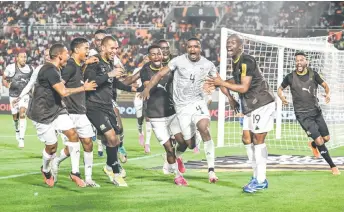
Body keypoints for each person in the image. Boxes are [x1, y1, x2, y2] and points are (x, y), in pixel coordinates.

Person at [142, 37, 219, 183]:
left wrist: (227, 93)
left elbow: (218, 80)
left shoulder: (207, 64)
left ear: (200, 48)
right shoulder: (176, 61)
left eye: (195, 46)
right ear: (186, 48)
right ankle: (172, 158)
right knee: (189, 144)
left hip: (196, 102)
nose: (192, 49)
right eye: (190, 47)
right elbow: (159, 74)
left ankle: (211, 171)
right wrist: (147, 88)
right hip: (180, 107)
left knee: (204, 127)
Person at [206, 34, 275, 193]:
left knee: (258, 140)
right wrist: (229, 97)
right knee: (247, 139)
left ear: (240, 46)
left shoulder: (247, 61)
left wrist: (221, 83)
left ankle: (261, 180)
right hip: (250, 106)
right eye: (227, 43)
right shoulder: (235, 62)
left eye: (233, 42)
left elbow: (243, 88)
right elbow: (230, 82)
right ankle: (257, 175)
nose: (229, 45)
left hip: (262, 102)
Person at [26, 43, 97, 187]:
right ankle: (45, 170)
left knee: (73, 134)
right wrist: (83, 88)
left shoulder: (57, 68)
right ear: (59, 56)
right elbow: (63, 92)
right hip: (42, 114)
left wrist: (84, 63)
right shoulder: (49, 70)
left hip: (57, 110)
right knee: (52, 147)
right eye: (66, 54)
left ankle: (75, 173)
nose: (68, 56)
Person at [277, 51, 340, 175]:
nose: (299, 62)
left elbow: (326, 85)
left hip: (316, 112)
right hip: (303, 115)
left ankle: (312, 144)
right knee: (320, 141)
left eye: (301, 60)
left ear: (306, 62)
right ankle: (333, 166)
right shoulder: (290, 77)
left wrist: (327, 94)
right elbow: (280, 89)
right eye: (297, 60)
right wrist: (282, 97)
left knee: (326, 138)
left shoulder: (313, 74)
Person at [51, 37, 100, 187]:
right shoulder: (70, 66)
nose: (88, 51)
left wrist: (86, 63)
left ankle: (89, 177)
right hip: (68, 113)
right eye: (86, 48)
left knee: (88, 142)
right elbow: (60, 88)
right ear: (77, 50)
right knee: (74, 145)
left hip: (80, 111)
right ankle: (72, 171)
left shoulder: (78, 65)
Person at [84, 36, 128, 186]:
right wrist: (110, 74)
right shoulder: (94, 61)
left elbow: (114, 82)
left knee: (115, 140)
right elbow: (90, 83)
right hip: (94, 106)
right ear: (103, 47)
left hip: (107, 106)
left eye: (116, 48)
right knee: (110, 137)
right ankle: (116, 174)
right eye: (112, 48)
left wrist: (134, 88)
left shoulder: (109, 63)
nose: (115, 51)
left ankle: (109, 166)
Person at [141, 44, 188, 186]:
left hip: (171, 112)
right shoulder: (145, 70)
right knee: (168, 147)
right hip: (156, 116)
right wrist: (159, 77)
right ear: (149, 57)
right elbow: (148, 85)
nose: (156, 56)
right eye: (153, 54)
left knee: (184, 142)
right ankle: (177, 175)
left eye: (158, 54)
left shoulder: (170, 69)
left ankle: (176, 157)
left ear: (162, 55)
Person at [3, 51, 33, 148]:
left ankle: (21, 139)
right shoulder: (10, 68)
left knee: (22, 112)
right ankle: (17, 130)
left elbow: (33, 82)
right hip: (13, 95)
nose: (24, 59)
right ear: (17, 58)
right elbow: (4, 78)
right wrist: (7, 84)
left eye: (25, 57)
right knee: (15, 117)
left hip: (24, 95)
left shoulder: (30, 68)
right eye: (22, 57)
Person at [132, 56, 152, 152]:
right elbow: (133, 82)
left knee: (148, 119)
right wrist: (138, 86)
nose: (146, 61)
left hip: (149, 97)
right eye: (145, 60)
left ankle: (147, 143)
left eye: (148, 59)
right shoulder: (138, 70)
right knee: (140, 118)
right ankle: (140, 133)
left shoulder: (154, 71)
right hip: (139, 96)